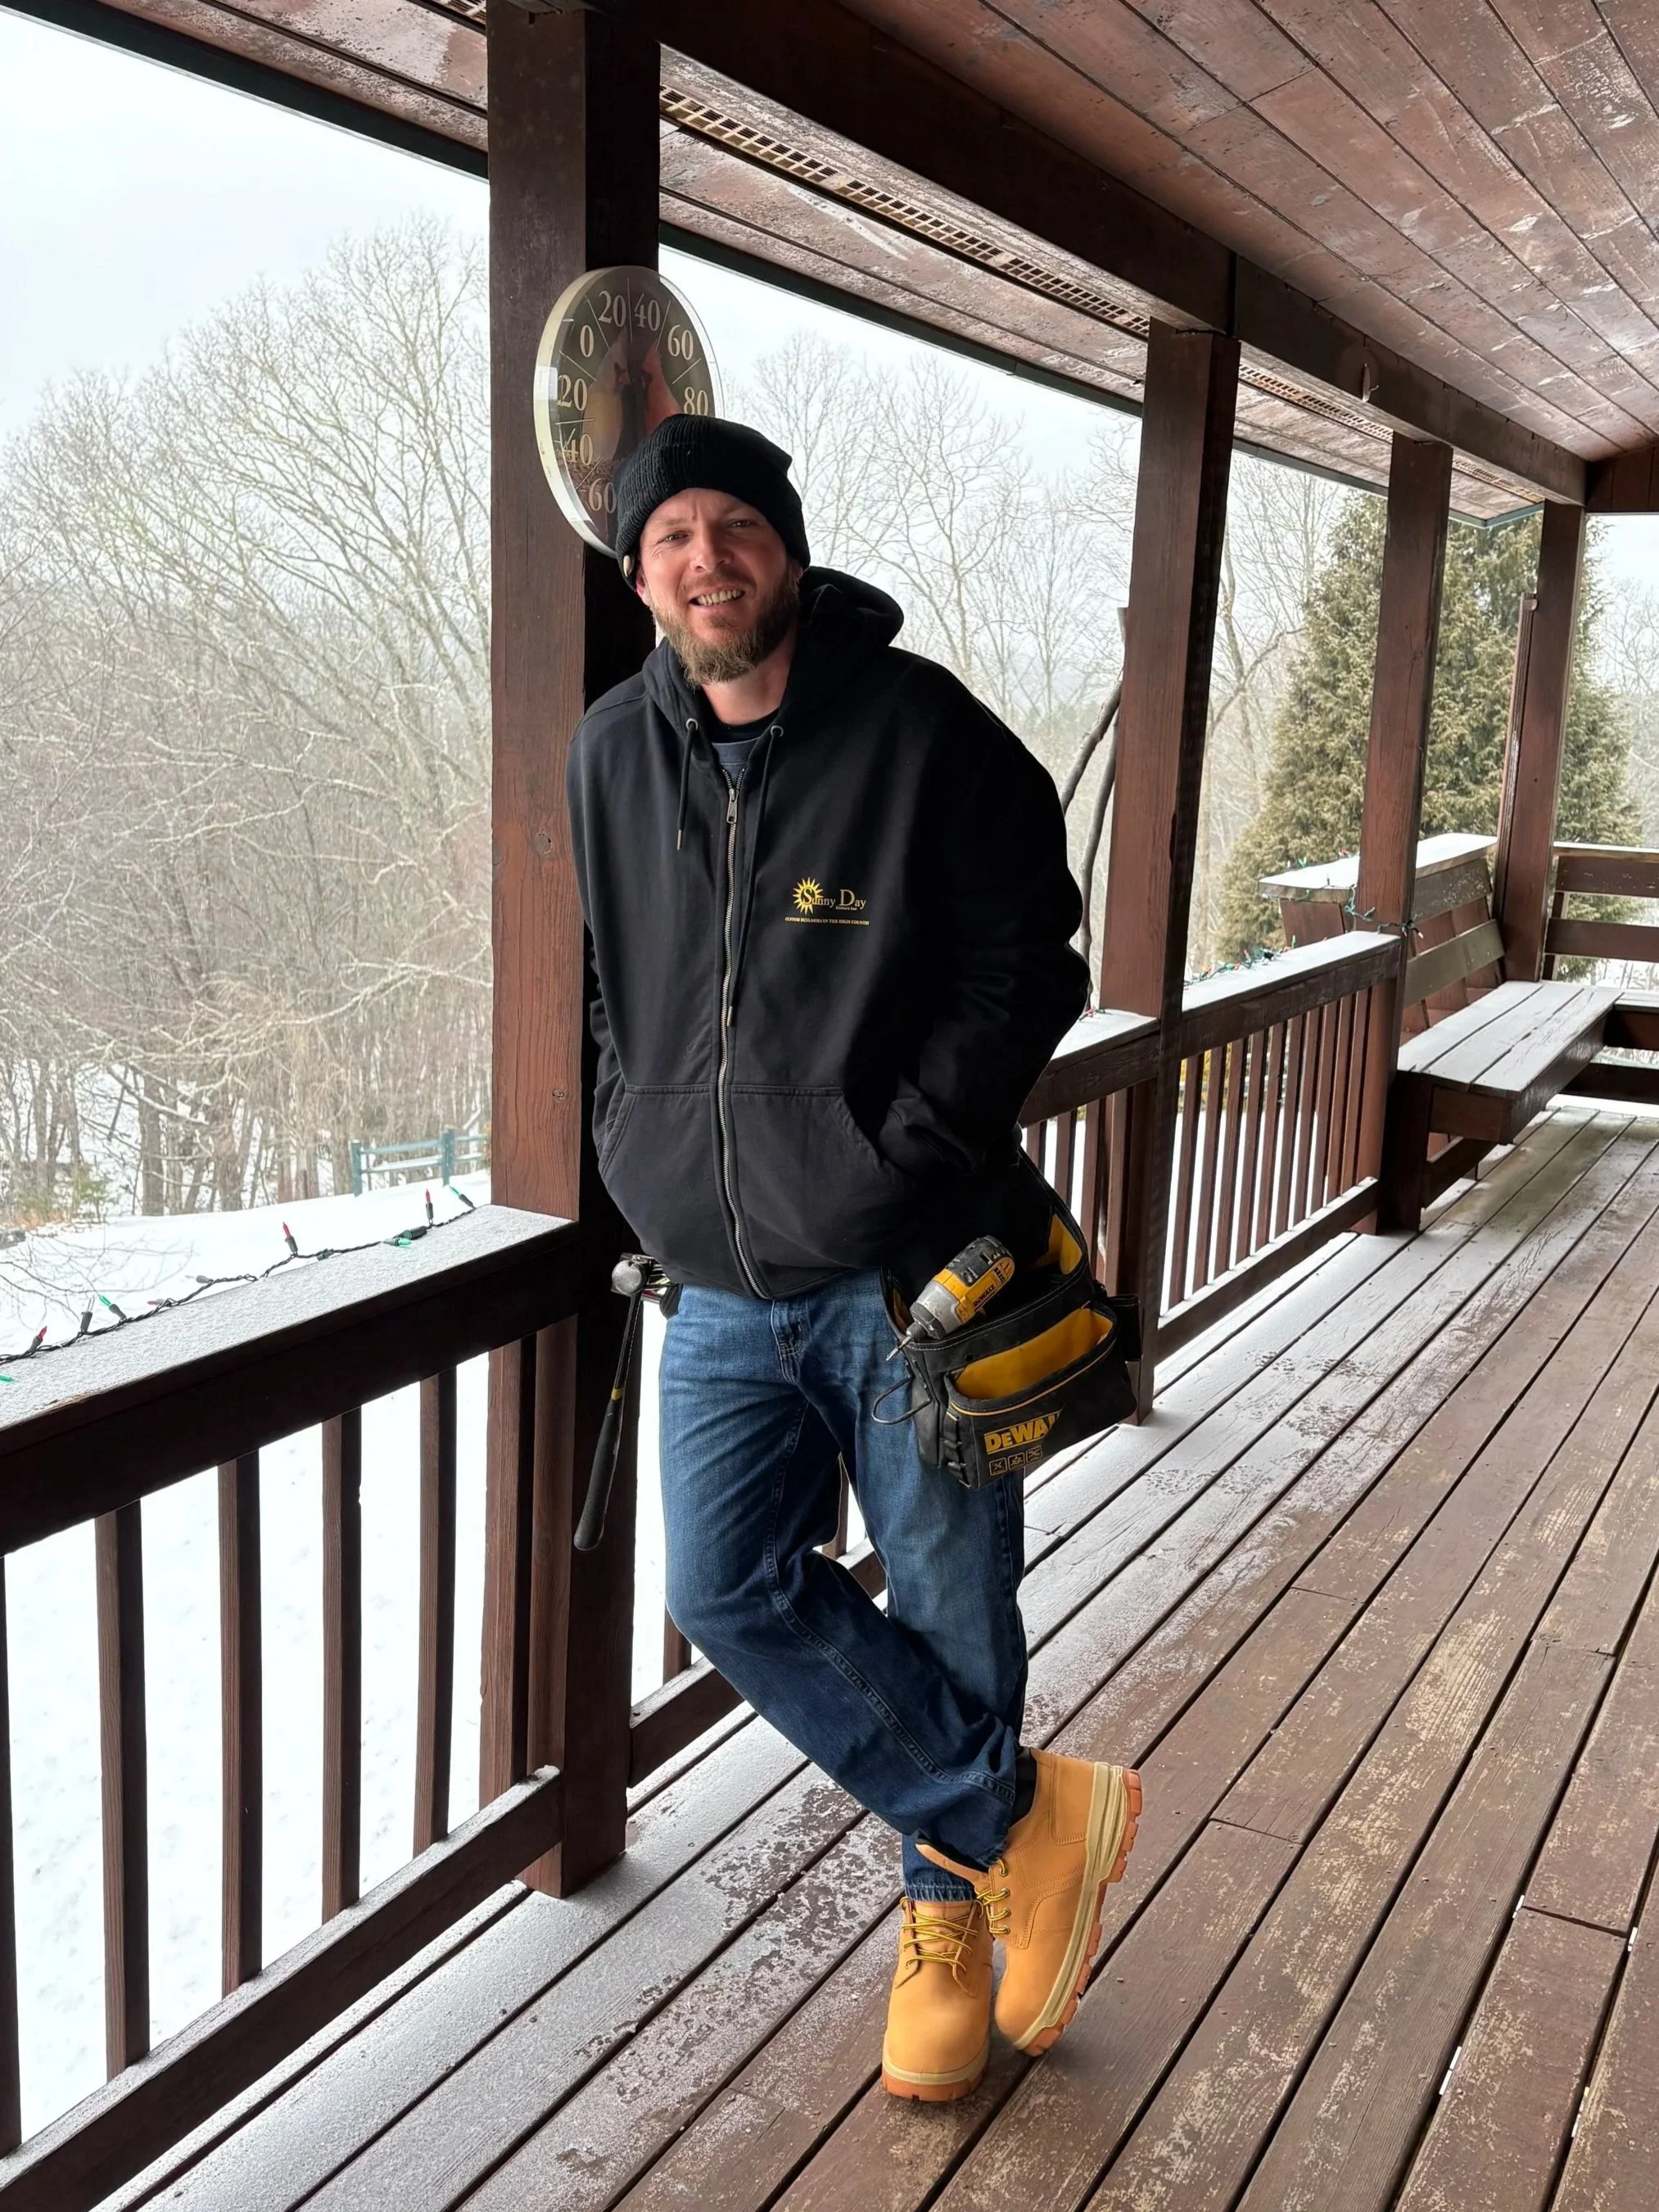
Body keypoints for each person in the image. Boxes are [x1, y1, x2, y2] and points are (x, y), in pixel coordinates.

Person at [565, 414, 1140, 2101]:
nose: (704, 560)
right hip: (717, 1285)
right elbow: (606, 985)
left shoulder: (923, 735)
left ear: (788, 552)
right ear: (637, 577)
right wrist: (633, 1146)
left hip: (905, 1274)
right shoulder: (609, 753)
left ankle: (943, 1921)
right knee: (725, 1586)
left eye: (733, 527)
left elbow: (1024, 965)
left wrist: (902, 1157)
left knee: (952, 1598)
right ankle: (1016, 1826)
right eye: (669, 540)